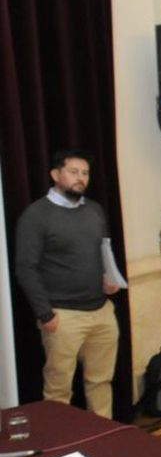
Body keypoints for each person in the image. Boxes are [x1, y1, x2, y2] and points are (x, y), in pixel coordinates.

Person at [14, 149, 122, 417]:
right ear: (55, 175)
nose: (80, 178)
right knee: (58, 391)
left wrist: (108, 280)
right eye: (73, 172)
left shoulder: (95, 210)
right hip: (63, 316)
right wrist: (45, 313)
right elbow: (25, 268)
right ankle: (60, 448)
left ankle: (103, 440)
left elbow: (102, 253)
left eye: (85, 173)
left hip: (101, 312)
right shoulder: (36, 215)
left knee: (100, 382)